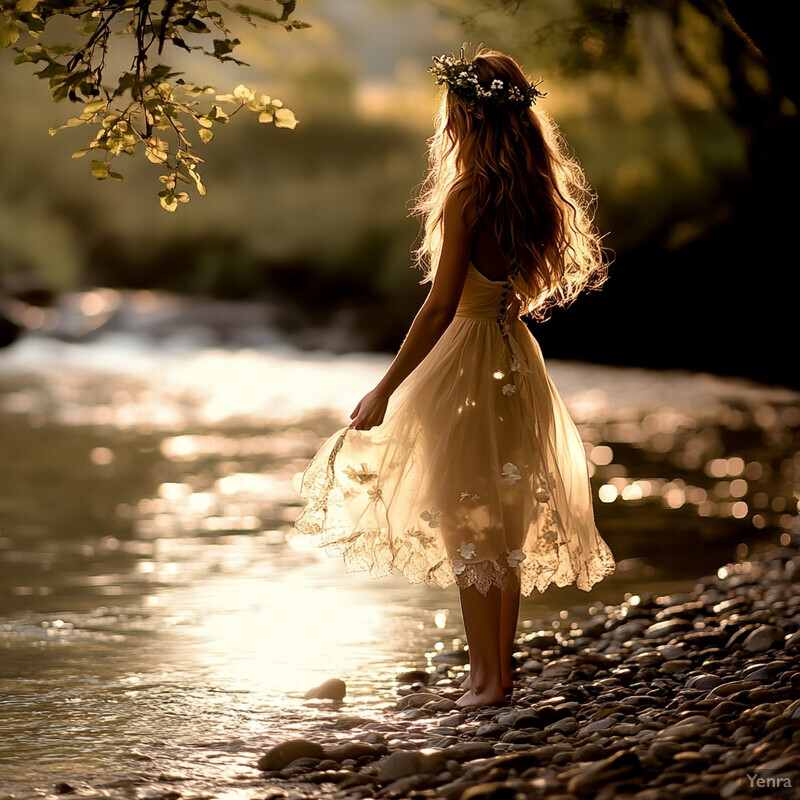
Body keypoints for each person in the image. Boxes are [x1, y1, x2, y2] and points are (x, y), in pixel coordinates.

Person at [293, 47, 616, 709]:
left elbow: (441, 306)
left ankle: (486, 681)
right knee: (505, 526)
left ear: (468, 117)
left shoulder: (469, 194)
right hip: (516, 358)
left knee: (470, 526)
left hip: (467, 358)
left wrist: (384, 388)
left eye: (454, 114)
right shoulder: (534, 191)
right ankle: (496, 673)